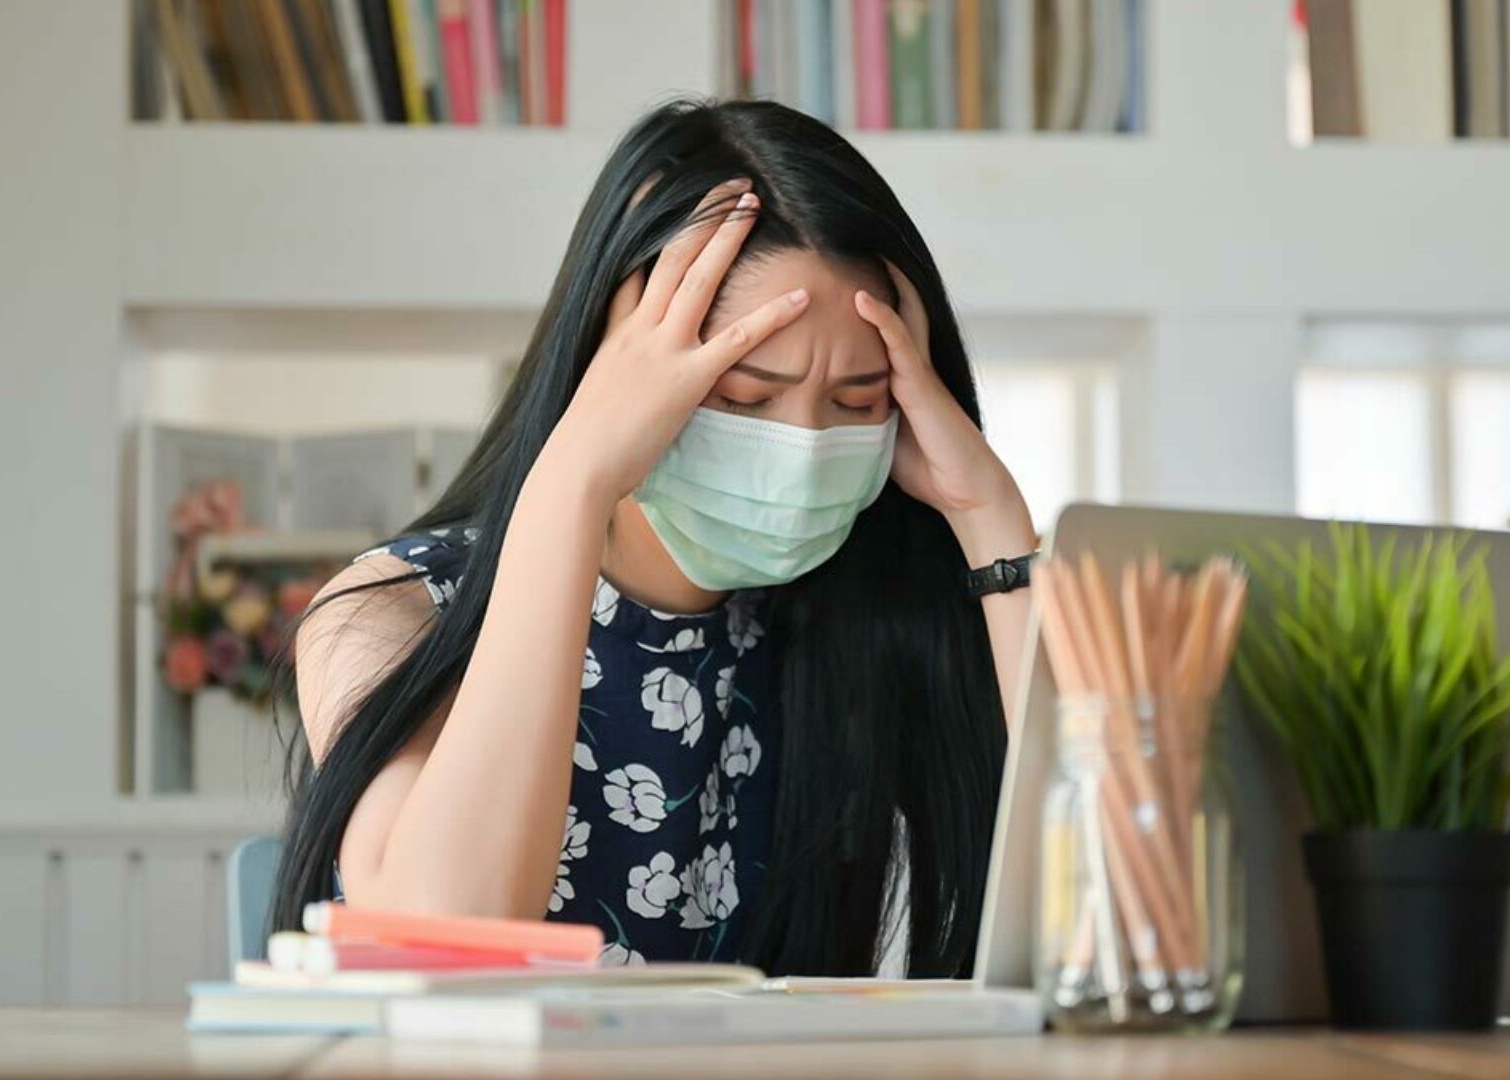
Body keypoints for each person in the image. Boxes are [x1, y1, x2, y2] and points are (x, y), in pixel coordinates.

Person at [270, 97, 1039, 979]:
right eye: (745, 397)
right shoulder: (389, 614)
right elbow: (451, 946)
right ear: (617, 365)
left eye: (859, 403)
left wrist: (991, 519)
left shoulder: (843, 627)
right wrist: (570, 483)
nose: (801, 449)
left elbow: (1107, 904)